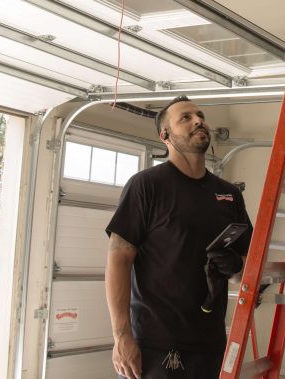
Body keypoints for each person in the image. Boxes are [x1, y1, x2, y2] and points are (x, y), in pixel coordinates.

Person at [105, 96, 252, 379]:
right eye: (185, 118)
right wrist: (122, 336)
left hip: (210, 345)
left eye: (200, 115)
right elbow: (118, 260)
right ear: (166, 136)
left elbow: (246, 267)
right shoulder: (146, 186)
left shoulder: (228, 194)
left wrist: (235, 266)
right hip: (156, 347)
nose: (199, 121)